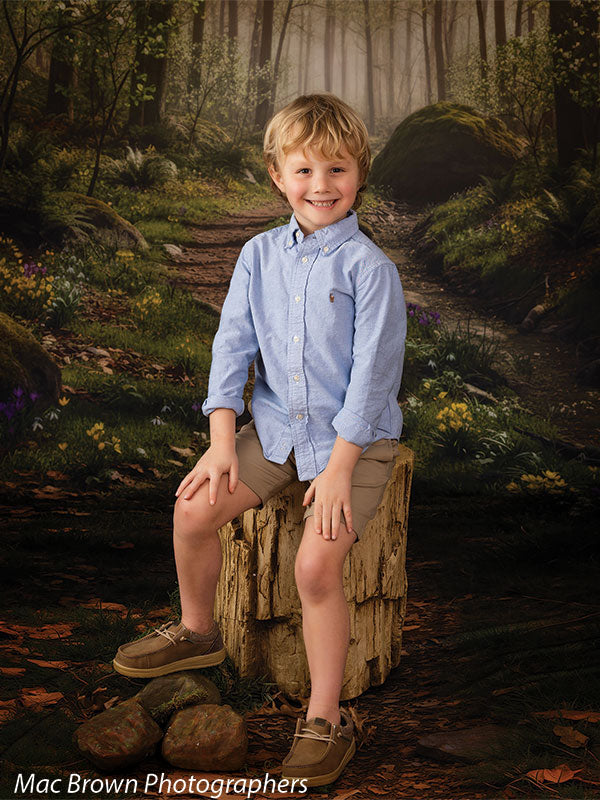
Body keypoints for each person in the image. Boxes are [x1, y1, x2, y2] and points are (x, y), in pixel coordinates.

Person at [113, 93, 407, 787]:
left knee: (313, 568)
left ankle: (326, 719)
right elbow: (231, 350)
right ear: (277, 174)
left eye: (337, 169)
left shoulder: (372, 271)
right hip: (275, 430)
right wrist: (222, 442)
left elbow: (371, 383)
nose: (321, 186)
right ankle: (198, 633)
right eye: (304, 170)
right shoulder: (257, 254)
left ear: (359, 174)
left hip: (355, 444)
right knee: (192, 510)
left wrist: (339, 470)